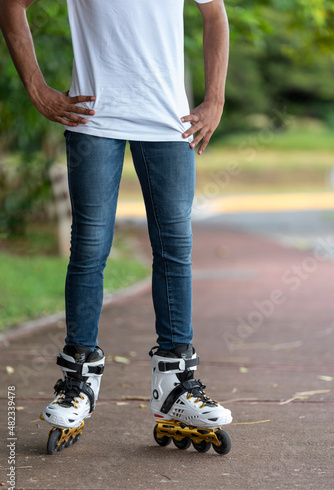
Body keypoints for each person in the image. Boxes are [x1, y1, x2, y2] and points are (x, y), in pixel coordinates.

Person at [0, 0, 232, 435]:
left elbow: (215, 13)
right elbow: (12, 5)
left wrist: (215, 98)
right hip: (94, 118)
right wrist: (37, 87)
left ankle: (175, 385)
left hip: (169, 122)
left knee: (175, 249)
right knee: (89, 246)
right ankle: (78, 380)